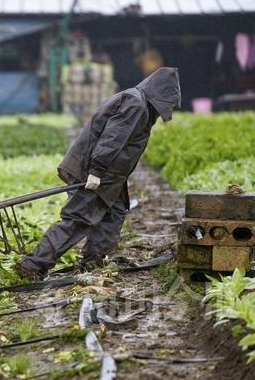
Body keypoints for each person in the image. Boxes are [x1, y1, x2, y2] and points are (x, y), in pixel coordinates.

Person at [15, 67, 181, 281]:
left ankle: (94, 260)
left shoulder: (139, 103)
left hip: (111, 177)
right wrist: (96, 171)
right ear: (160, 95)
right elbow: (112, 138)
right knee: (79, 218)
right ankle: (33, 264)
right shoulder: (136, 104)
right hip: (96, 172)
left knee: (116, 211)